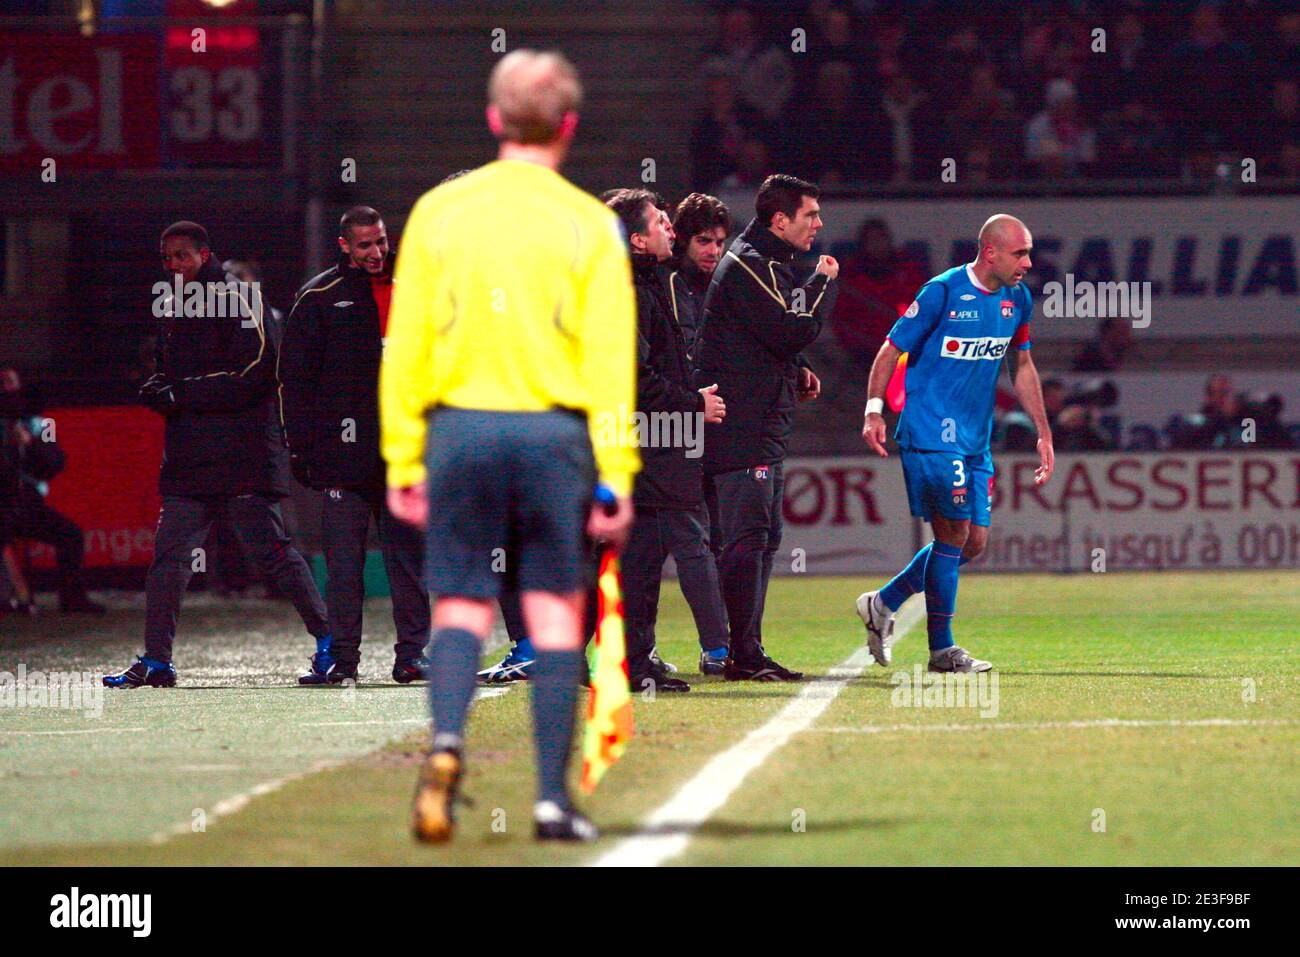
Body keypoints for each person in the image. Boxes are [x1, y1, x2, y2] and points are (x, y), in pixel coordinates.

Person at [381, 50, 638, 843]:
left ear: (493, 118)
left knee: (458, 600)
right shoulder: (591, 223)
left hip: (459, 428)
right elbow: (609, 360)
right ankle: (552, 801)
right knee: (555, 613)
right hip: (553, 435)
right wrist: (618, 470)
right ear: (569, 125)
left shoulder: (437, 212)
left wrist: (402, 455)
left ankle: (448, 745)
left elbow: (406, 344)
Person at [103, 221, 330, 688]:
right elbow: (172, 372)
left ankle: (330, 642)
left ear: (204, 255)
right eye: (166, 258)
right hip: (190, 456)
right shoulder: (172, 304)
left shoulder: (243, 299)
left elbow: (256, 373)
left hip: (242, 451)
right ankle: (157, 661)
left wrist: (179, 393)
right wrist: (158, 386)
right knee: (169, 560)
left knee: (273, 554)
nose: (172, 266)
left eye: (181, 256)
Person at [858, 215, 1055, 672]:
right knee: (952, 535)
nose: (1028, 262)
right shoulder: (942, 292)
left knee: (973, 542)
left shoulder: (1017, 299)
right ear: (991, 252)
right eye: (1020, 253)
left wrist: (1043, 431)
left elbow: (1021, 366)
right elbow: (890, 350)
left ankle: (883, 602)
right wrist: (873, 409)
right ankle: (942, 650)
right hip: (931, 434)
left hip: (974, 441)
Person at [278, 205, 432, 685]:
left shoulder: (415, 291)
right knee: (343, 568)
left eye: (381, 242)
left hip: (401, 453)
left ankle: (412, 657)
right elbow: (294, 381)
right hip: (342, 460)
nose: (376, 252)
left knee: (408, 563)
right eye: (364, 244)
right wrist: (301, 450)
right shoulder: (319, 296)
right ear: (344, 245)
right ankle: (342, 660)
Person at [693, 173, 838, 681]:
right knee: (745, 540)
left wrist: (794, 369)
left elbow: (767, 336)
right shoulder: (750, 263)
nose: (818, 224)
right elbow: (790, 325)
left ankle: (744, 649)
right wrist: (821, 280)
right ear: (780, 220)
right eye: (810, 215)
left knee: (762, 538)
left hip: (760, 426)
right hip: (740, 429)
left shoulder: (766, 262)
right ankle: (736, 653)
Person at [604, 188, 729, 692]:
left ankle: (634, 658)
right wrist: (692, 403)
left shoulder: (645, 284)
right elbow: (633, 379)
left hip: (653, 443)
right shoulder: (630, 292)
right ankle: (621, 662)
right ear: (636, 239)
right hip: (640, 444)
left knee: (644, 556)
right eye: (660, 222)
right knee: (632, 559)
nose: (669, 229)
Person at [0, 368, 103, 614]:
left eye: (11, 381)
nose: (7, 388)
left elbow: (54, 463)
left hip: (28, 503)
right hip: (2, 501)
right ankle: (12, 598)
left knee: (71, 535)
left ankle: (72, 598)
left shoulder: (42, 424)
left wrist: (29, 443)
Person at [667, 192, 731, 357]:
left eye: (719, 242)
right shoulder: (669, 280)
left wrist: (798, 364)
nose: (714, 251)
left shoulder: (728, 282)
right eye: (703, 241)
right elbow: (687, 354)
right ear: (682, 239)